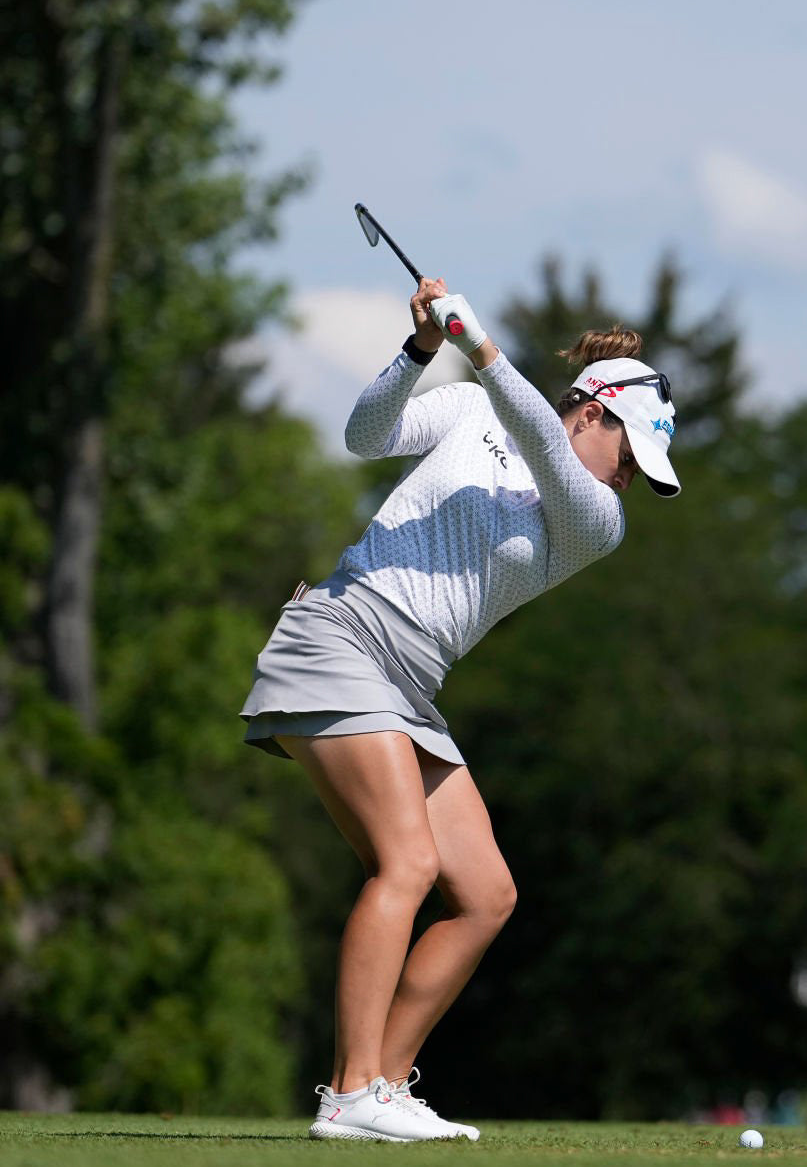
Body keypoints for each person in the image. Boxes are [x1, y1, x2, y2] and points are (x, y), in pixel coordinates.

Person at [240, 278, 680, 1142]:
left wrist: (479, 342)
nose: (628, 478)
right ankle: (349, 1099)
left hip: (409, 685)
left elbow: (542, 449)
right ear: (591, 409)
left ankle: (380, 1083)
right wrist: (419, 353)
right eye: (629, 454)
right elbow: (366, 435)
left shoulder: (593, 519)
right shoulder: (472, 411)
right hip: (345, 637)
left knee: (484, 893)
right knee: (406, 865)